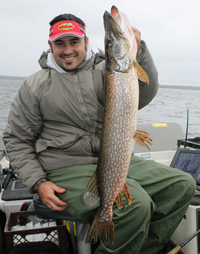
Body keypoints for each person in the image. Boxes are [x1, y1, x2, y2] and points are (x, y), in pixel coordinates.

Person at [3, 13, 195, 254]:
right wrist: (38, 182)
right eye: (60, 43)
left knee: (181, 184)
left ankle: (146, 249)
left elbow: (144, 94)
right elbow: (16, 139)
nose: (67, 50)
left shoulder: (107, 69)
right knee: (135, 205)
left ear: (85, 41)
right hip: (64, 168)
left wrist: (140, 50)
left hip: (111, 158)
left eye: (74, 42)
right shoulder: (35, 85)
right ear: (50, 46)